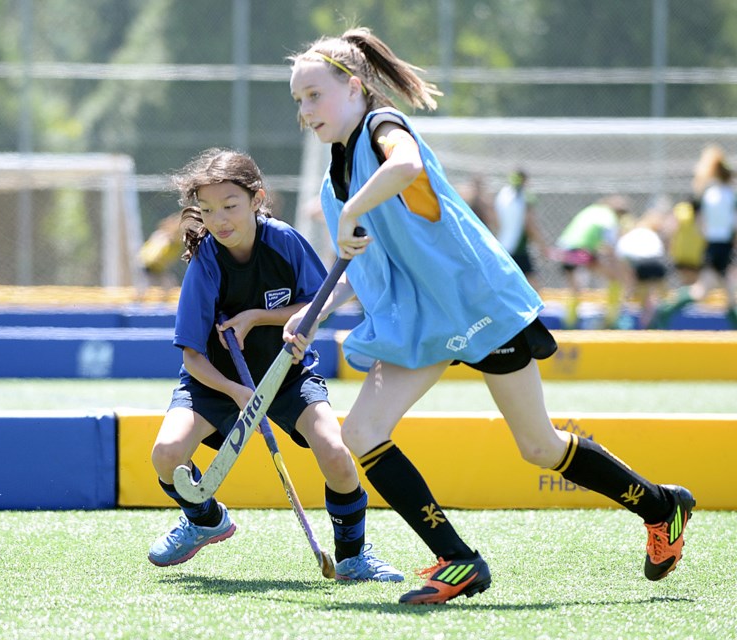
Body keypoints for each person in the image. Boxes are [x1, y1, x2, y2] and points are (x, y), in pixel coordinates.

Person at [285, 27, 695, 606]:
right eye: (297, 100)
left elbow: (404, 167)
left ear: (354, 87)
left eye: (314, 95)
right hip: (423, 321)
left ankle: (661, 507)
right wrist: (313, 313)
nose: (305, 111)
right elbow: (365, 262)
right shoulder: (337, 173)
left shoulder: (383, 128)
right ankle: (458, 560)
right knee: (363, 432)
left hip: (476, 305)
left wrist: (354, 208)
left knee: (539, 446)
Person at [148, 148, 403, 582]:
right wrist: (236, 392)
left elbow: (317, 303)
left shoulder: (283, 241)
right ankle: (205, 519)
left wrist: (256, 318)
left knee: (337, 455)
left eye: (230, 206)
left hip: (286, 376)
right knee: (166, 454)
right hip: (218, 382)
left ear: (256, 198)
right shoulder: (205, 262)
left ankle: (352, 556)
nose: (220, 220)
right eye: (208, 211)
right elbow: (192, 355)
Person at [651, 145, 737, 329]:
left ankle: (664, 312)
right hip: (723, 248)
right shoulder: (730, 195)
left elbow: (699, 221)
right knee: (705, 292)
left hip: (712, 246)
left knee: (726, 293)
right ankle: (664, 311)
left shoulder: (707, 194)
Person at [553, 195, 633, 329]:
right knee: (614, 278)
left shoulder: (592, 210)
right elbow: (611, 245)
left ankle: (569, 324)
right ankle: (611, 320)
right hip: (582, 251)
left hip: (565, 249)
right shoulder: (609, 217)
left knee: (575, 289)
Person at [493, 169, 548, 292]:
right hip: (517, 248)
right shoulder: (524, 196)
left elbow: (496, 221)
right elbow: (529, 224)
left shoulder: (502, 195)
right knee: (534, 286)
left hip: (502, 245)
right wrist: (542, 246)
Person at [615, 210, 669, 329]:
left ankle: (624, 321)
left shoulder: (625, 238)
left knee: (635, 295)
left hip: (640, 264)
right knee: (658, 297)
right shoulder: (650, 233)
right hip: (657, 264)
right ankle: (658, 322)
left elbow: (623, 264)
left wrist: (630, 285)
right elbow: (661, 251)